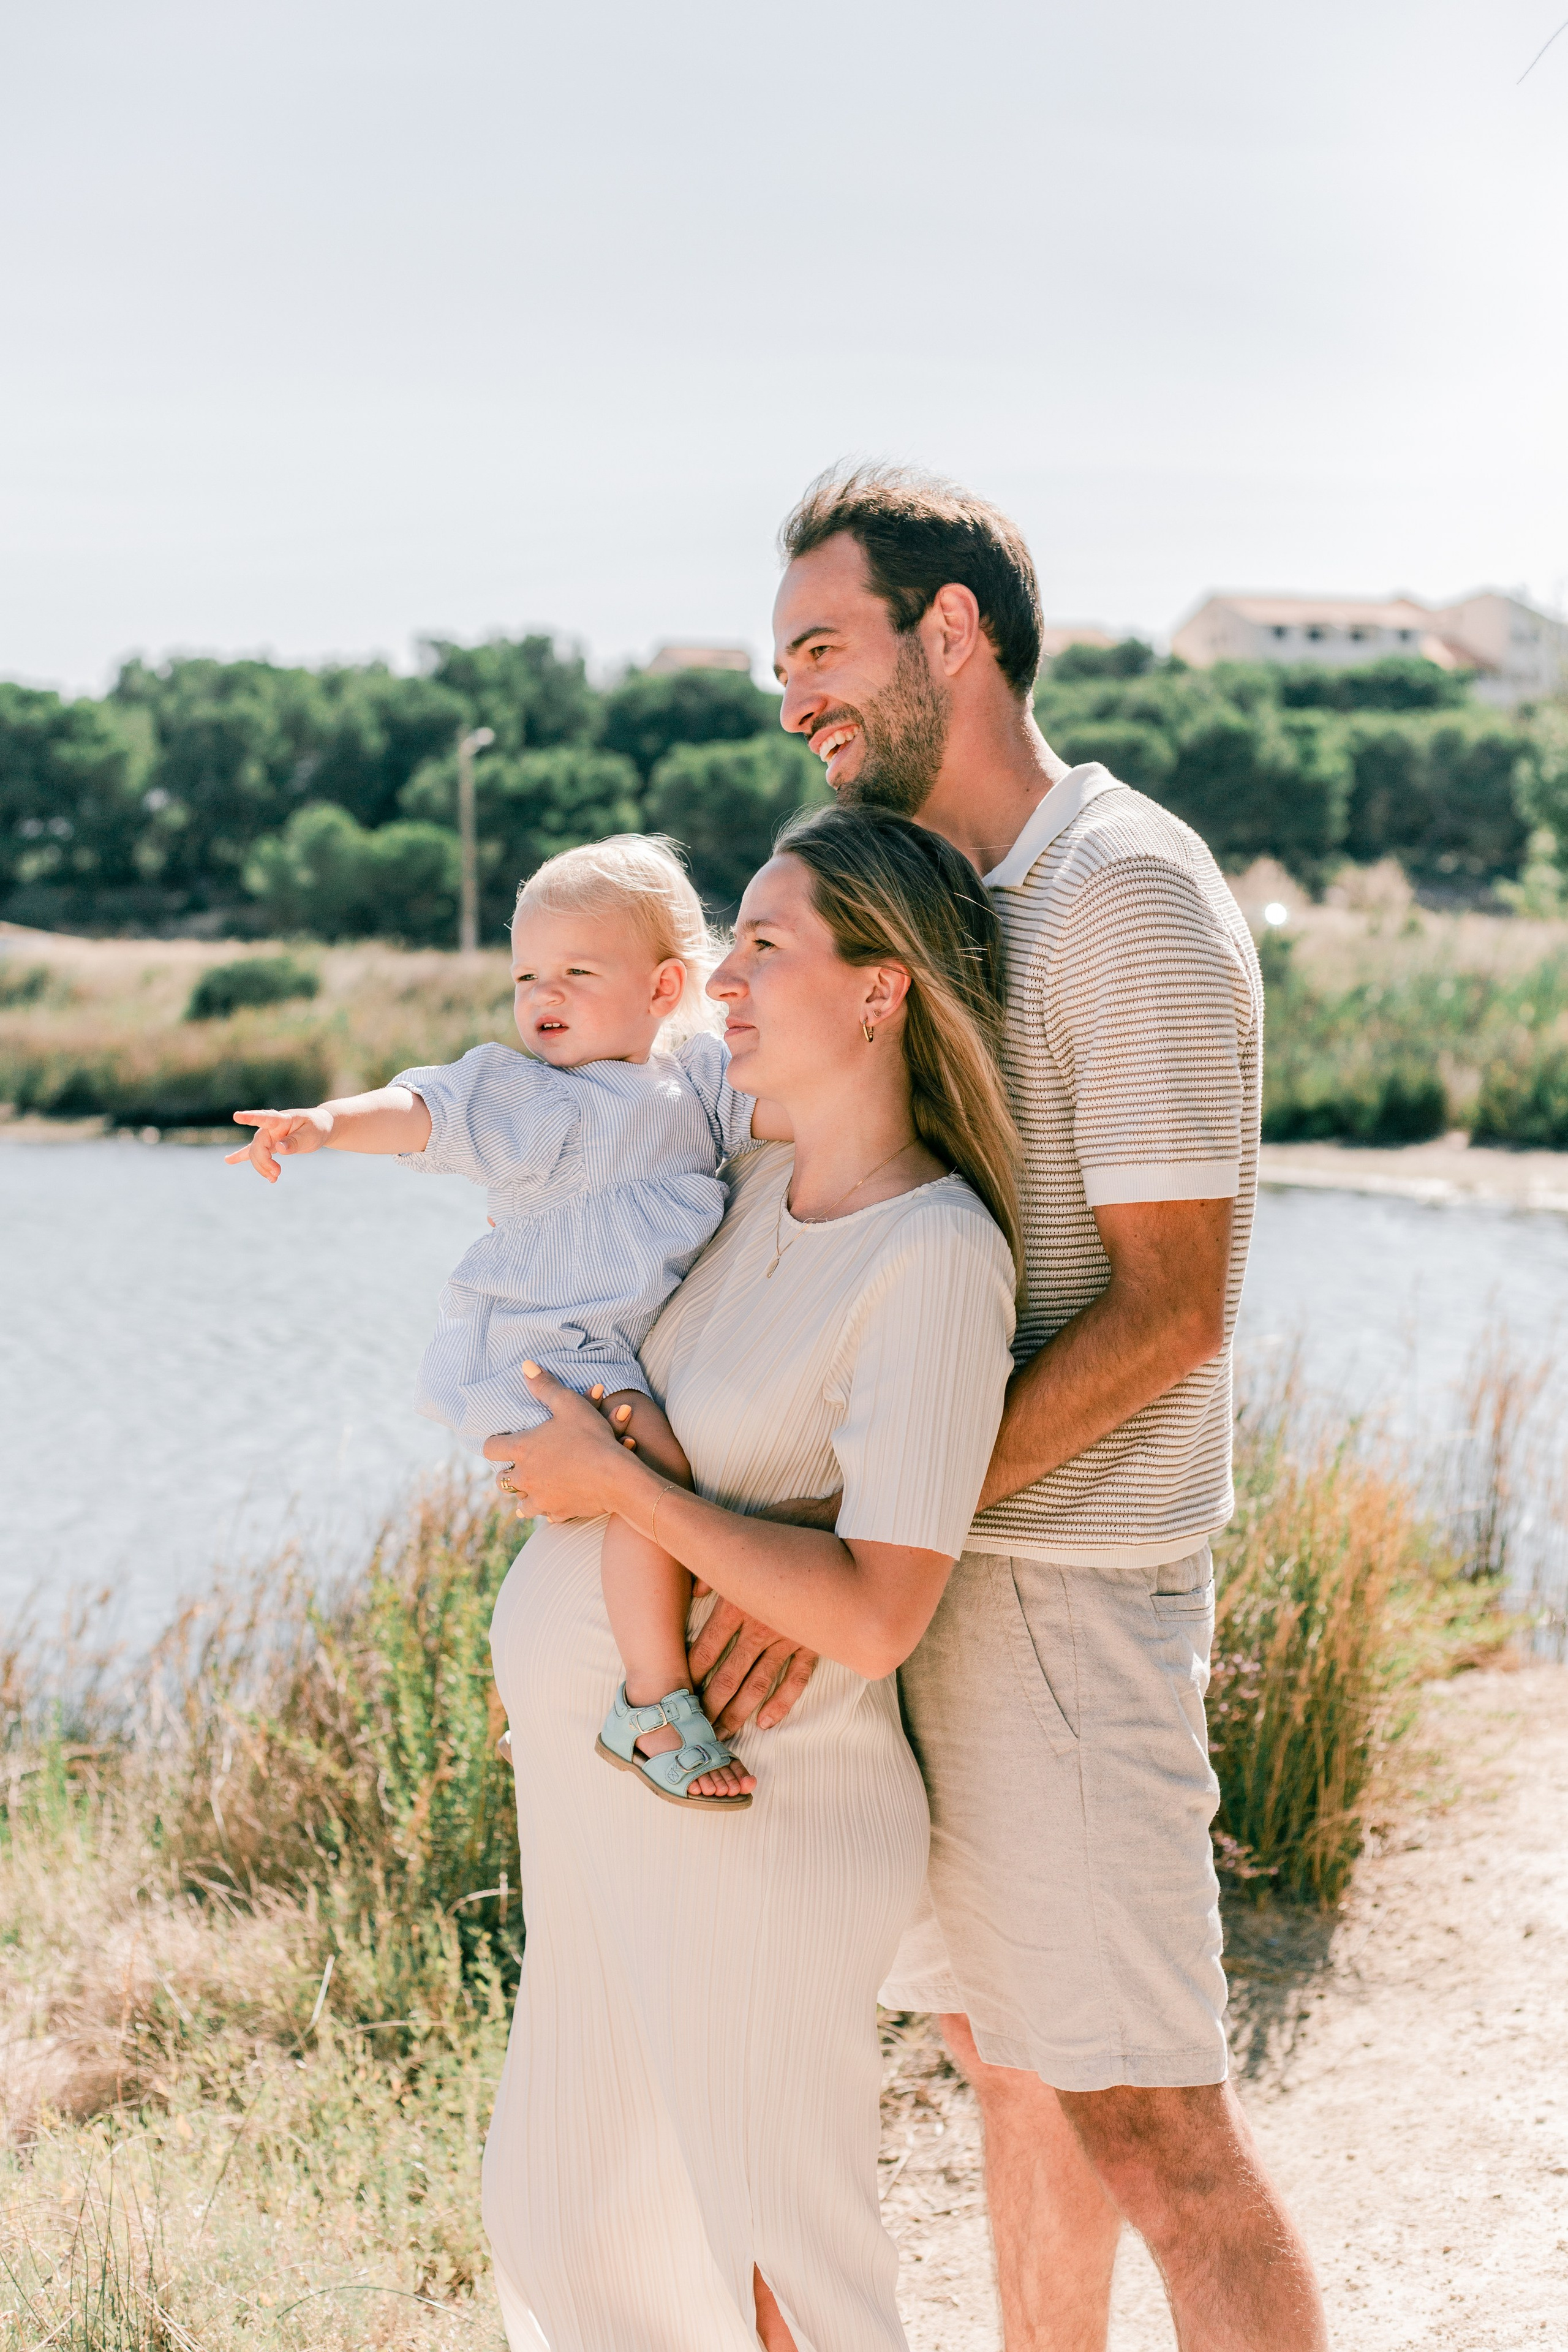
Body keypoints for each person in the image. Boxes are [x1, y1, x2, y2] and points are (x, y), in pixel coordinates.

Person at [688, 466, 1329, 2351]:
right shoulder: (952, 902)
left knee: (1152, 2117)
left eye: (821, 647)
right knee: (1010, 2060)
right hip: (948, 1581)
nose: (791, 696)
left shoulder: (1122, 895)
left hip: (1063, 1594)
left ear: (947, 635)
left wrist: (870, 1534)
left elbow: (1172, 1311)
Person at [480, 804, 1020, 2351]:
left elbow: (875, 1608)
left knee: (769, 2270)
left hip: (758, 1822)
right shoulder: (737, 1204)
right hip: (611, 1814)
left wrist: (615, 1488)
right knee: (578, 2227)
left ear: (881, 989)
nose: (721, 980)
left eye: (764, 948)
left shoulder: (933, 1253)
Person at [226, 832, 767, 1804]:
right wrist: (325, 1124)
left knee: (606, 1508)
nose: (541, 997)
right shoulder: (532, 1096)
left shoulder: (700, 1082)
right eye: (526, 975)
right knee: (658, 1478)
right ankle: (651, 1706)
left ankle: (540, 1704)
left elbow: (790, 1107)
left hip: (606, 1342)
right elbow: (427, 1107)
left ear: (661, 988)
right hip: (536, 1350)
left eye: (574, 972)